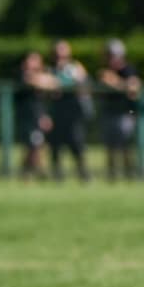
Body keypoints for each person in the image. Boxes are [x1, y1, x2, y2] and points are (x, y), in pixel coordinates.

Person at [46, 39, 91, 182]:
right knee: (55, 146)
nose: (60, 55)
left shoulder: (75, 68)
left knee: (76, 144)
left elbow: (84, 85)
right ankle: (57, 176)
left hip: (73, 113)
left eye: (63, 51)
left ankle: (83, 174)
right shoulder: (50, 69)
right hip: (56, 113)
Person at [97, 39, 141, 181]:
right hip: (109, 112)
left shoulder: (128, 69)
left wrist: (113, 82)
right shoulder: (105, 70)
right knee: (110, 146)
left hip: (125, 113)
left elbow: (133, 88)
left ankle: (130, 173)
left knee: (125, 145)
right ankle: (112, 174)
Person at [16, 51, 55, 179]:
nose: (32, 63)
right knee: (33, 145)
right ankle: (33, 172)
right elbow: (39, 81)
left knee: (36, 145)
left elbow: (52, 83)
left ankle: (30, 171)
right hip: (27, 118)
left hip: (38, 117)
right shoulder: (22, 75)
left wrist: (44, 117)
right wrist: (44, 80)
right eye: (30, 60)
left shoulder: (41, 74)